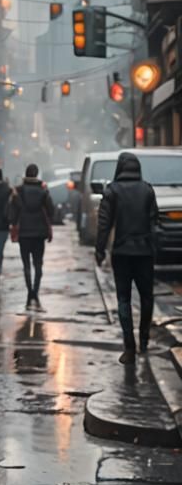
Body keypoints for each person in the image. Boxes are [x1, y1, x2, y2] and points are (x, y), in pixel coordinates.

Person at [95, 152, 159, 365]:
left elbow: (104, 223)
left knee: (124, 299)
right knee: (146, 297)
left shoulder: (112, 191)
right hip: (144, 253)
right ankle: (144, 340)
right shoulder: (147, 190)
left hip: (121, 253)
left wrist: (100, 249)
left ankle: (129, 347)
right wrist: (154, 248)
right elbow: (154, 223)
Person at [10, 163, 55, 311]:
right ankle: (35, 292)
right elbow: (51, 210)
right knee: (38, 264)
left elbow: (13, 211)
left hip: (24, 232)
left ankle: (30, 293)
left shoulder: (19, 191)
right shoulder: (42, 191)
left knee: (26, 265)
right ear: (36, 174)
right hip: (39, 232)